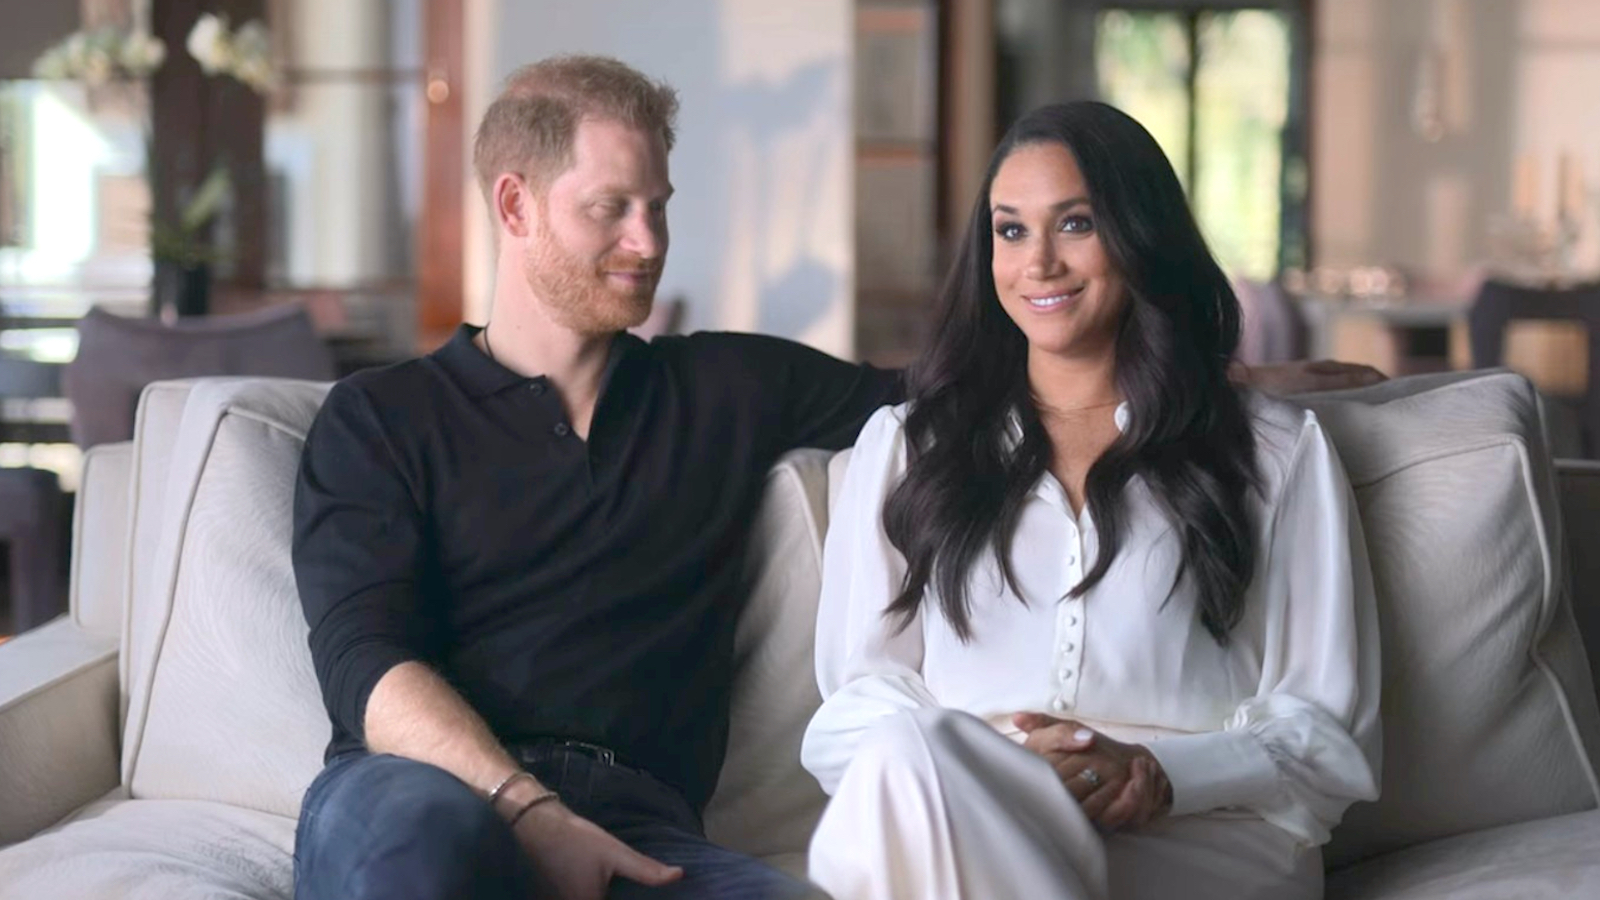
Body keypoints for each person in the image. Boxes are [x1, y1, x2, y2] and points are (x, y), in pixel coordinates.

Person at [291, 56, 1379, 900]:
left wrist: (1219, 376)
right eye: (611, 209)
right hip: (429, 792)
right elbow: (366, 660)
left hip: (644, 826)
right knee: (421, 851)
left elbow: (980, 379)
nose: (648, 240)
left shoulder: (720, 385)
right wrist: (524, 810)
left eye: (660, 205)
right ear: (516, 206)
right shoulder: (381, 419)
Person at [801, 101, 1381, 900]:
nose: (1037, 263)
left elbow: (1328, 732)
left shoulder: (1277, 452)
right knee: (906, 760)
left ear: (1140, 236)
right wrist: (998, 765)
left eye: (1075, 225)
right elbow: (851, 713)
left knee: (900, 814)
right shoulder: (909, 447)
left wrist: (1158, 771)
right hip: (967, 814)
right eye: (1011, 230)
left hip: (1203, 839)